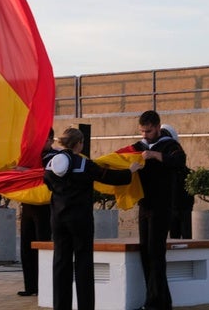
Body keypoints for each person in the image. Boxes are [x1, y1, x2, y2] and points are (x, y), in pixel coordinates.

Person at [43, 127, 141, 310]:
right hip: (80, 220)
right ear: (79, 144)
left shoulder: (50, 164)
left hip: (58, 219)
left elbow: (47, 183)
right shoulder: (84, 164)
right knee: (83, 263)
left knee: (60, 263)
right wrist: (130, 171)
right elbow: (109, 177)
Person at [120, 111, 186, 310]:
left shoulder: (170, 145)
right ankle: (159, 299)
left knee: (156, 253)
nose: (145, 135)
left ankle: (156, 301)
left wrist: (156, 155)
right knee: (145, 252)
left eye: (148, 131)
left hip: (162, 205)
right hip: (144, 205)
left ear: (157, 127)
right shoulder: (139, 146)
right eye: (142, 131)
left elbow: (179, 161)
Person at [17, 128, 58, 297]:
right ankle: (31, 286)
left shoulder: (56, 157)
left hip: (45, 207)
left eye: (43, 140)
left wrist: (25, 172)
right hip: (28, 205)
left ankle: (45, 285)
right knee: (26, 247)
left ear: (50, 140)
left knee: (43, 245)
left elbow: (47, 175)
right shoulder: (29, 156)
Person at [162, 124, 194, 239]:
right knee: (174, 237)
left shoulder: (176, 151)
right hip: (171, 204)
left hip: (183, 204)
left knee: (186, 235)